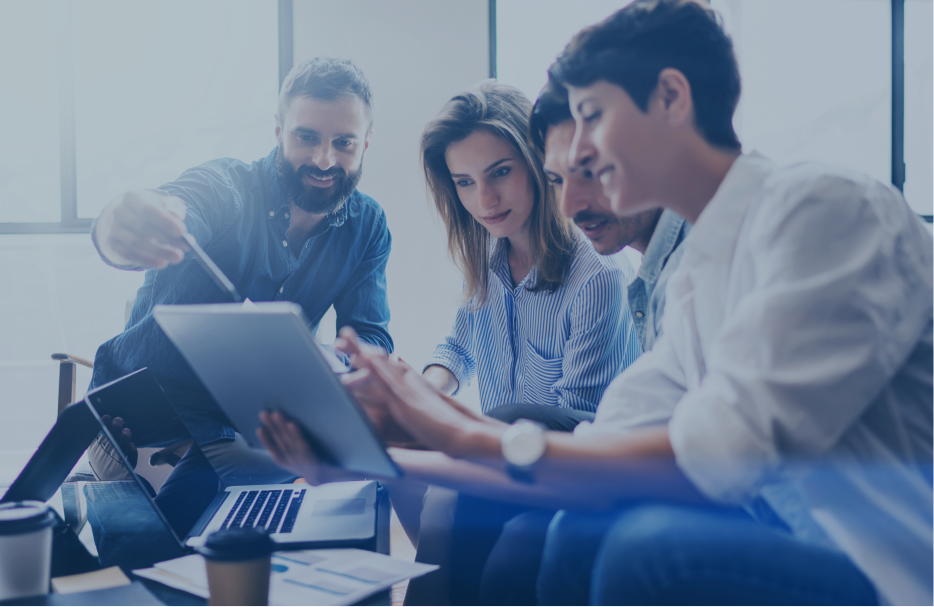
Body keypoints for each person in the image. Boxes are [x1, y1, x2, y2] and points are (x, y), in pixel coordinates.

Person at [260, 1, 934, 606]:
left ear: (671, 97)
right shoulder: (691, 282)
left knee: (648, 544)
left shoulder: (821, 207)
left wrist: (456, 430)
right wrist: (371, 459)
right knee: (586, 525)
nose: (577, 152)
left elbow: (724, 455)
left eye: (590, 118)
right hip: (770, 529)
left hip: (887, 570)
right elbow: (592, 454)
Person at [89, 57, 393, 535]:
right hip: (147, 414)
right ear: (278, 131)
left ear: (366, 144)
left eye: (344, 143)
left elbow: (370, 336)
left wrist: (330, 377)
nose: (324, 160)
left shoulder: (368, 227)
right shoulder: (229, 187)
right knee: (172, 529)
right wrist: (121, 225)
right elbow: (176, 205)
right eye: (307, 137)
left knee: (362, 491)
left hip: (249, 426)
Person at [420, 80, 641, 425]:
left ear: (538, 164)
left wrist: (450, 432)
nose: (485, 201)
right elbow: (459, 350)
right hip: (500, 459)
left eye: (501, 173)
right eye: (465, 182)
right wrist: (417, 394)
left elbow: (571, 425)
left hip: (566, 470)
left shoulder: (598, 277)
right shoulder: (488, 254)